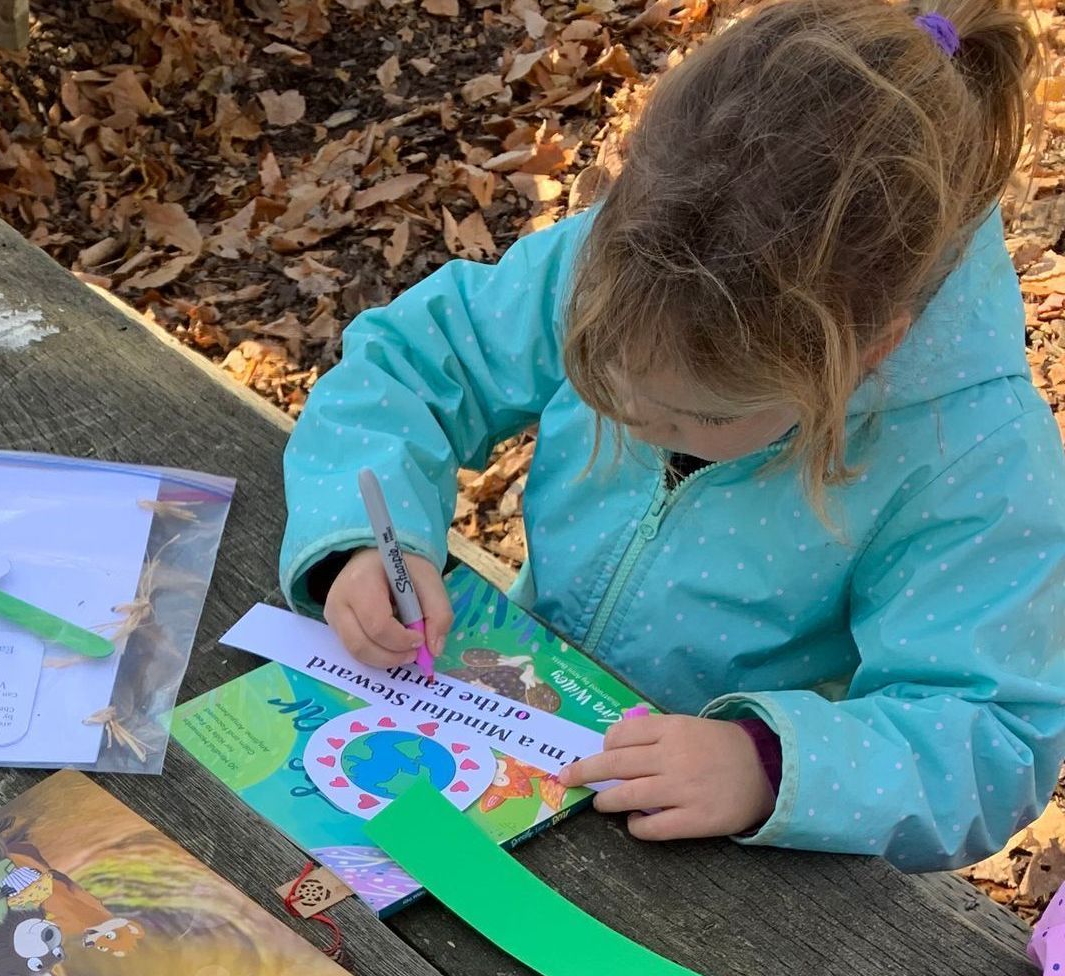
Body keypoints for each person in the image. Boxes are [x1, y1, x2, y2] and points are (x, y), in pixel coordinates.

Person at [279, 0, 1065, 870]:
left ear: (864, 358)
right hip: (527, 736)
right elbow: (413, 366)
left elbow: (990, 738)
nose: (632, 422)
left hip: (725, 861)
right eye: (603, 376)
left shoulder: (976, 461)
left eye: (697, 417)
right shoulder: (644, 255)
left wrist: (770, 765)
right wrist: (366, 542)